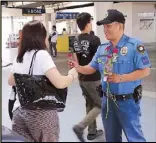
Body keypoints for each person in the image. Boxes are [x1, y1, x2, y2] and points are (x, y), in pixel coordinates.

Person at [69, 9, 151, 142]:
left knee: (135, 137)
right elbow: (90, 68)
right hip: (107, 102)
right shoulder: (102, 49)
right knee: (111, 138)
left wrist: (121, 78)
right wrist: (78, 67)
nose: (105, 30)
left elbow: (145, 71)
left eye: (108, 26)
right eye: (104, 27)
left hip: (128, 102)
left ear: (119, 25)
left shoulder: (135, 46)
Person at [8, 20, 78, 142]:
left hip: (19, 112)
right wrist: (72, 74)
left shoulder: (20, 56)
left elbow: (11, 81)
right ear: (41, 37)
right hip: (41, 115)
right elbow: (60, 83)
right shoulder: (41, 55)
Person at [71, 12, 103, 142]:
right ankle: (80, 126)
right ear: (88, 23)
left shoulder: (75, 40)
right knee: (101, 105)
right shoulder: (95, 39)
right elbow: (99, 60)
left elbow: (75, 59)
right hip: (93, 77)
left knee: (89, 103)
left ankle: (92, 132)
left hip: (82, 77)